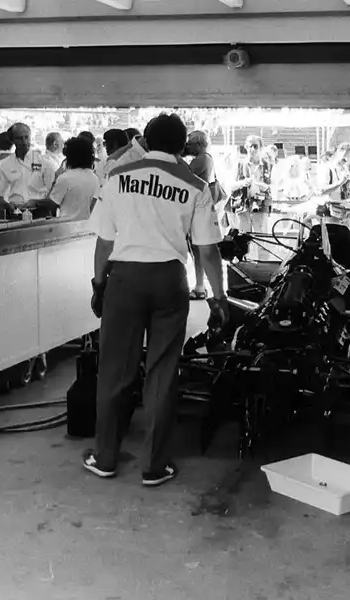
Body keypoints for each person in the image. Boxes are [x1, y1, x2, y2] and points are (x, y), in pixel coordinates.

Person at [84, 113, 229, 487]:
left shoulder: (117, 177)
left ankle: (105, 457)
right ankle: (154, 465)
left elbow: (105, 241)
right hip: (168, 280)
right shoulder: (195, 184)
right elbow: (208, 250)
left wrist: (99, 283)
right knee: (163, 372)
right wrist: (219, 296)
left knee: (116, 369)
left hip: (125, 280)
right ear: (183, 147)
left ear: (145, 141)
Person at [24, 136, 99, 221]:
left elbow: (52, 204)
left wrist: (34, 202)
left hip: (66, 226)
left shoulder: (66, 178)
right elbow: (92, 205)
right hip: (85, 226)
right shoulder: (94, 178)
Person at [0, 122, 56, 220]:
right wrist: (8, 205)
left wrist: (37, 202)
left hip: (40, 213)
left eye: (26, 137)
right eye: (19, 138)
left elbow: (53, 196)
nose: (24, 142)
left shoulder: (45, 164)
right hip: (15, 214)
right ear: (12, 140)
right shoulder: (4, 165)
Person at [184, 130, 217, 300]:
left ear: (198, 144)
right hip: (199, 209)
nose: (187, 146)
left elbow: (183, 176)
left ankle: (200, 286)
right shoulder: (206, 158)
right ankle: (200, 285)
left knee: (197, 250)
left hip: (197, 210)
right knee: (197, 250)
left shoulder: (202, 159)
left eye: (190, 143)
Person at [228, 135, 272, 234]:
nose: (252, 149)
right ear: (246, 147)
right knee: (242, 240)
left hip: (260, 206)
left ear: (261, 147)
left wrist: (264, 187)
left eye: (255, 146)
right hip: (242, 206)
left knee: (261, 239)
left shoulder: (267, 165)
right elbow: (230, 185)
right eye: (249, 146)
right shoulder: (239, 164)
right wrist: (242, 183)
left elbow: (273, 186)